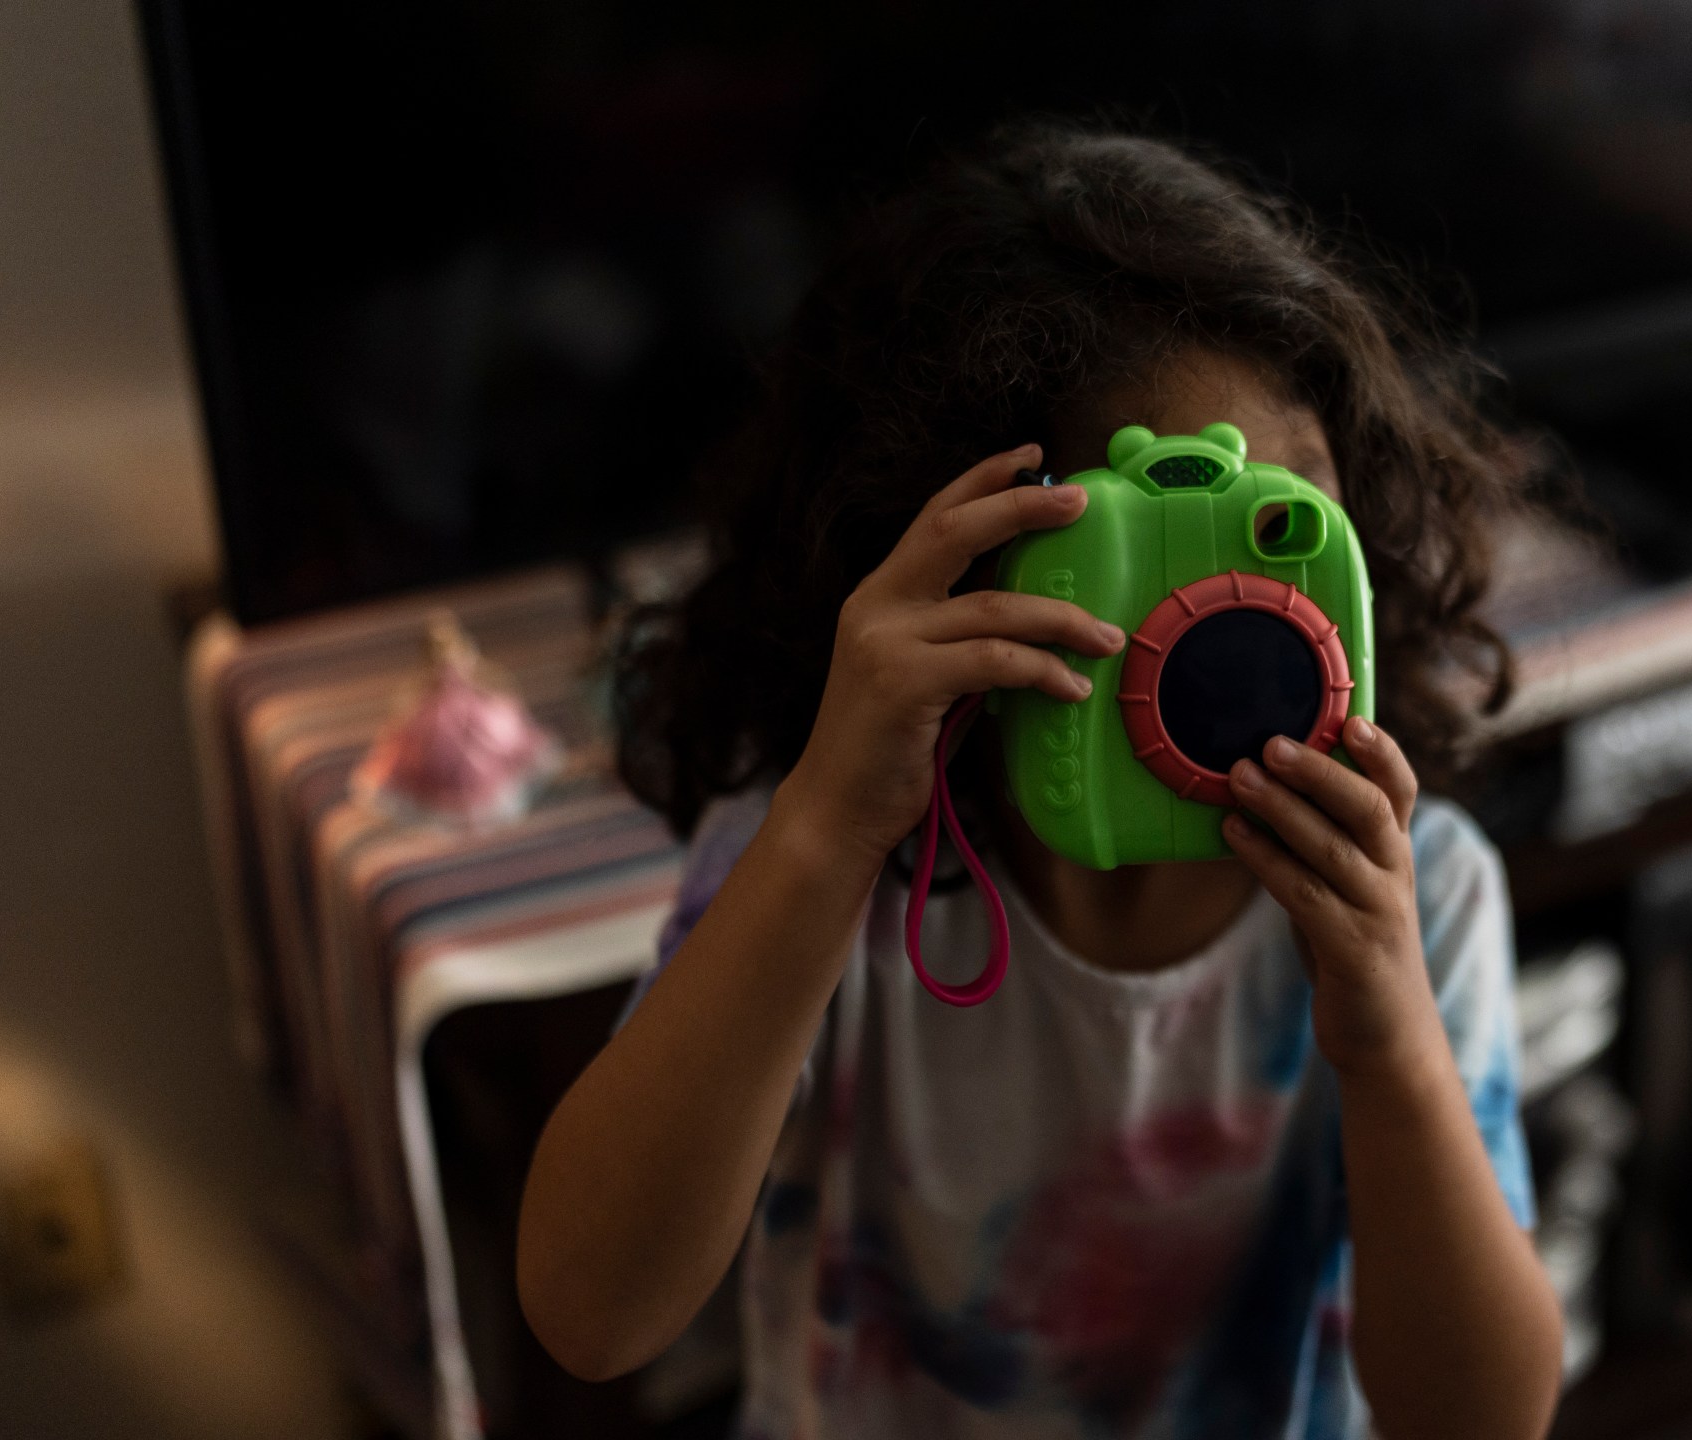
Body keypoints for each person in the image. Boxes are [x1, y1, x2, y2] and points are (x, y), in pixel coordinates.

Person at [517, 124, 1565, 1440]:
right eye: (1151, 545)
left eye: (1279, 515)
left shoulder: (1423, 896)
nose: (1235, 618)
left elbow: (1484, 1422)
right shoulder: (820, 869)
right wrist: (826, 831)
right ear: (946, 571)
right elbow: (589, 1312)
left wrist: (1390, 1042)